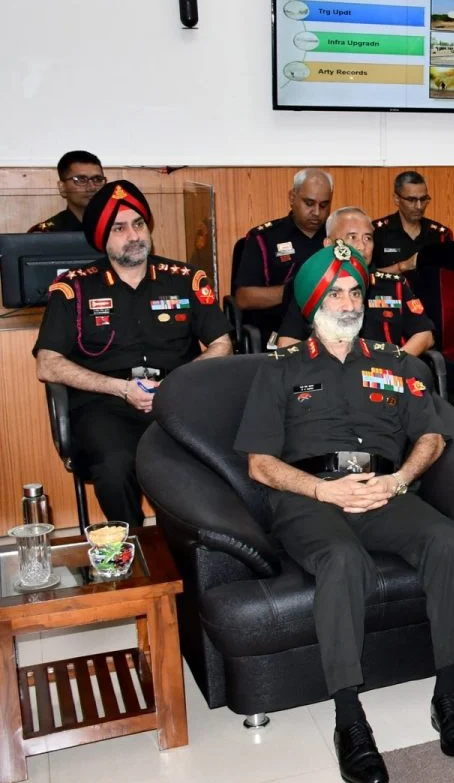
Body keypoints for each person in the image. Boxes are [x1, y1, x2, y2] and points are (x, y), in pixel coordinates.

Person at [234, 244, 454, 783]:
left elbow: (434, 436)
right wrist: (324, 492)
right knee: (342, 560)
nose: (348, 303)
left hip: (383, 490)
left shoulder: (395, 363)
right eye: (334, 294)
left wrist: (398, 481)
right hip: (309, 499)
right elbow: (259, 464)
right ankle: (350, 718)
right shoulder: (279, 370)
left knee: (445, 538)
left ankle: (447, 696)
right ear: (313, 304)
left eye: (355, 292)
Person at [33, 181, 232, 526]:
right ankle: (134, 548)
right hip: (107, 405)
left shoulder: (184, 279)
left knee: (206, 459)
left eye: (138, 224)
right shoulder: (74, 288)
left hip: (176, 401)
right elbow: (47, 364)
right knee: (114, 466)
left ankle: (193, 546)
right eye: (120, 228)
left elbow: (222, 345)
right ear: (101, 237)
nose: (134, 235)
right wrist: (122, 389)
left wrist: (173, 387)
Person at [275, 207, 434, 355]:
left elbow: (425, 335)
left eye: (368, 238)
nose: (361, 246)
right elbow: (287, 342)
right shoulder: (312, 286)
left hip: (382, 377)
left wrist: (397, 362)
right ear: (328, 244)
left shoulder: (394, 285)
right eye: (352, 237)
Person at [232, 168, 333, 344]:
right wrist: (298, 290)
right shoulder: (264, 238)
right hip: (277, 332)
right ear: (292, 197)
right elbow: (243, 298)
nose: (317, 212)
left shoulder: (336, 237)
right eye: (309, 203)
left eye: (324, 205)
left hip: (330, 333)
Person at [373, 171, 454, 275]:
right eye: (412, 200)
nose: (419, 206)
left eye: (423, 199)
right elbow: (364, 278)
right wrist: (402, 267)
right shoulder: (377, 232)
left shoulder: (441, 235)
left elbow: (452, 276)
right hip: (390, 291)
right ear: (397, 199)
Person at [28, 150, 106, 233]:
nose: (92, 187)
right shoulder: (45, 232)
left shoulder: (116, 227)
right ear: (62, 187)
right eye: (81, 180)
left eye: (97, 179)